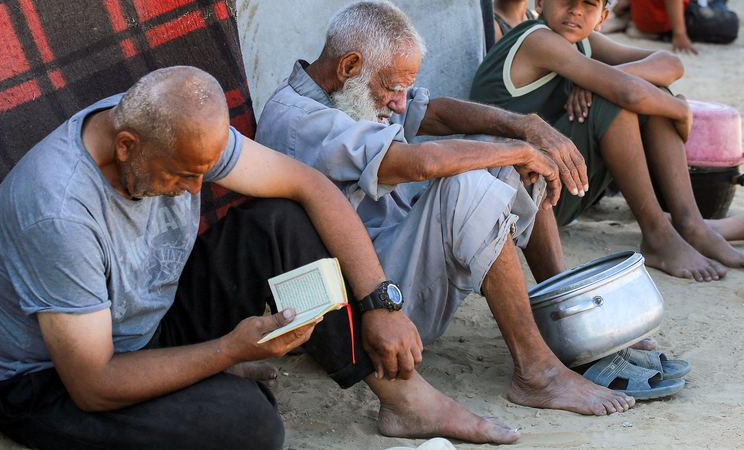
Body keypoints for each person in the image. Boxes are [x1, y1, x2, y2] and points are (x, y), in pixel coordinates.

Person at [0, 66, 519, 448]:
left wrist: (381, 303)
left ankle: (406, 400)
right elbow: (93, 384)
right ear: (125, 147)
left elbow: (310, 185)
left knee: (281, 219)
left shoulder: (175, 133)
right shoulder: (58, 211)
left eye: (205, 172)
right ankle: (214, 376)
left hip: (150, 327)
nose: (195, 189)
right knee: (249, 427)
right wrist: (225, 350)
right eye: (182, 176)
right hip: (53, 383)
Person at [256, 0, 637, 436]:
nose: (400, 104)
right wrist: (521, 147)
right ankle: (537, 373)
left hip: (392, 265)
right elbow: (419, 163)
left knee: (498, 151)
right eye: (393, 88)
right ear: (350, 65)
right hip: (371, 308)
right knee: (468, 185)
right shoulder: (300, 120)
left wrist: (523, 128)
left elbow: (430, 112)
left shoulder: (346, 89)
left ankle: (567, 321)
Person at [470, 0, 744, 282]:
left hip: (556, 191)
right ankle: (657, 236)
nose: (576, 10)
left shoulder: (585, 40)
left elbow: (671, 63)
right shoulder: (537, 39)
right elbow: (628, 95)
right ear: (541, 2)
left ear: (602, 17)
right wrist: (680, 110)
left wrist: (598, 80)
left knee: (651, 89)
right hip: (514, 201)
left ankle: (691, 224)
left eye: (588, 4)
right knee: (614, 99)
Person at [604, 0, 739, 55]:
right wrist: (679, 34)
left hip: (643, 12)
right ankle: (659, 34)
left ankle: (631, 16)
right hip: (665, 18)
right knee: (731, 24)